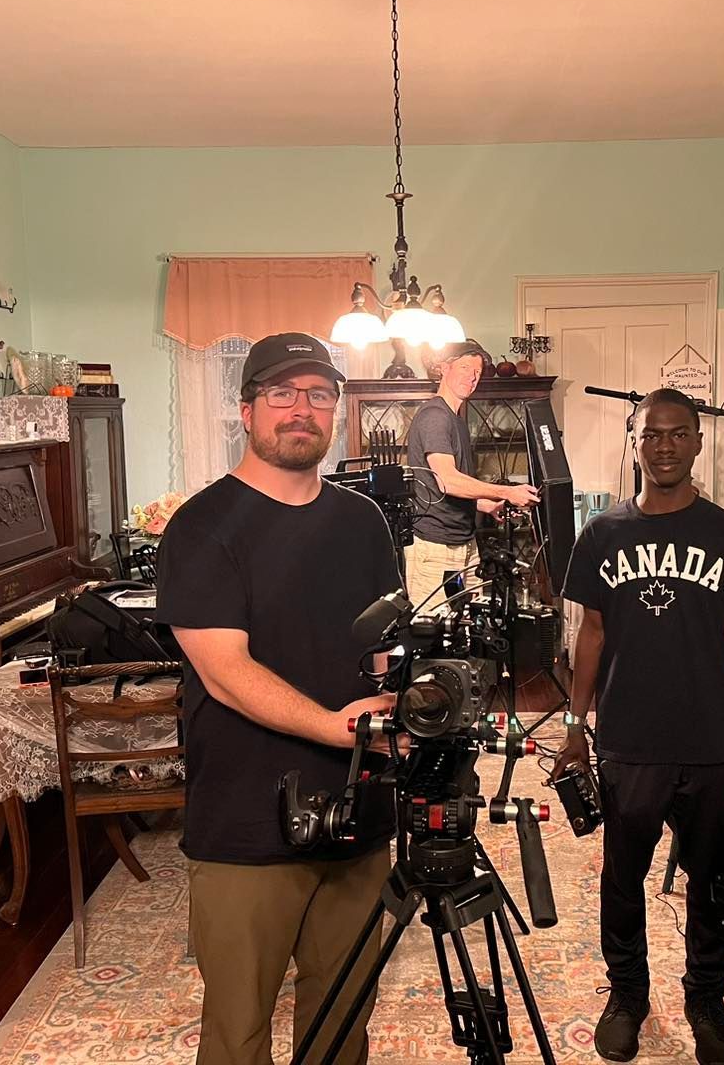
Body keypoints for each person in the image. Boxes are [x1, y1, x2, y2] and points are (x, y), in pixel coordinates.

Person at [155, 332, 401, 1065]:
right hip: (244, 818)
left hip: (359, 806)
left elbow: (383, 647)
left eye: (319, 394)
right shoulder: (202, 526)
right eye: (282, 393)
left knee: (344, 1013)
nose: (302, 409)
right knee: (238, 1032)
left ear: (336, 411)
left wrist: (399, 704)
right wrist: (334, 727)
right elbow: (225, 670)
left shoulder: (364, 521)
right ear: (246, 409)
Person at [549, 387, 724, 1065]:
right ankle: (628, 995)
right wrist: (574, 726)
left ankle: (705, 999)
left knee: (710, 883)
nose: (666, 444)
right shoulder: (603, 536)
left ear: (699, 442)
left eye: (680, 433)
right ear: (635, 441)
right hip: (628, 741)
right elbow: (588, 634)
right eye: (653, 434)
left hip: (710, 742)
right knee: (623, 881)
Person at [405, 339, 539, 610]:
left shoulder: (456, 420)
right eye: (465, 367)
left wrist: (485, 504)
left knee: (466, 627)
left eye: (477, 371)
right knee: (433, 633)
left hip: (464, 543)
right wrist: (506, 491)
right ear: (444, 368)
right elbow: (448, 480)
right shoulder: (435, 416)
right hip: (435, 549)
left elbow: (438, 487)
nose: (472, 376)